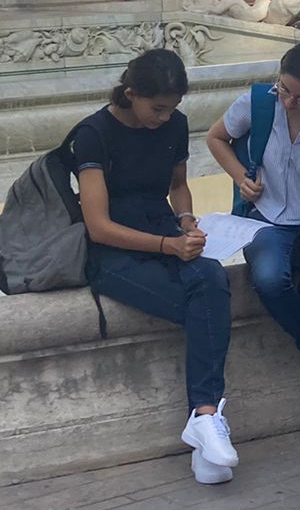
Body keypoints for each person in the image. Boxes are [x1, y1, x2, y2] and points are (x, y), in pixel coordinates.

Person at [66, 49, 237, 484]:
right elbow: (99, 227)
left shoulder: (175, 126)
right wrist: (168, 244)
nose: (164, 117)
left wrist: (186, 221)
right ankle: (206, 422)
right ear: (130, 94)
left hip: (167, 234)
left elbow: (178, 187)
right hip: (114, 253)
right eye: (156, 108)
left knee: (213, 279)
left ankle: (203, 424)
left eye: (172, 108)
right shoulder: (92, 135)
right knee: (203, 308)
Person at [203, 40, 300, 440]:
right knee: (269, 277)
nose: (288, 102)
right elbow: (215, 138)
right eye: (283, 90)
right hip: (267, 218)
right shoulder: (259, 103)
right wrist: (240, 177)